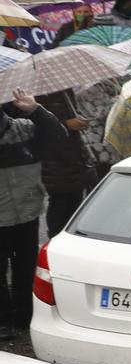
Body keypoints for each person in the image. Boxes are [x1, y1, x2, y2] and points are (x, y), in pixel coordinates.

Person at [0, 89, 60, 337]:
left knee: (26, 267)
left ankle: (24, 316)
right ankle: (3, 320)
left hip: (27, 210)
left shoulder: (23, 128)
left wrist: (36, 110)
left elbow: (57, 137)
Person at [36, 90, 96, 236]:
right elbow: (34, 126)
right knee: (60, 200)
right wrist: (66, 124)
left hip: (74, 153)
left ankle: (70, 236)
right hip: (53, 157)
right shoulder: (36, 94)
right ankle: (56, 238)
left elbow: (69, 114)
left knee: (75, 198)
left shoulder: (64, 90)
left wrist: (78, 121)